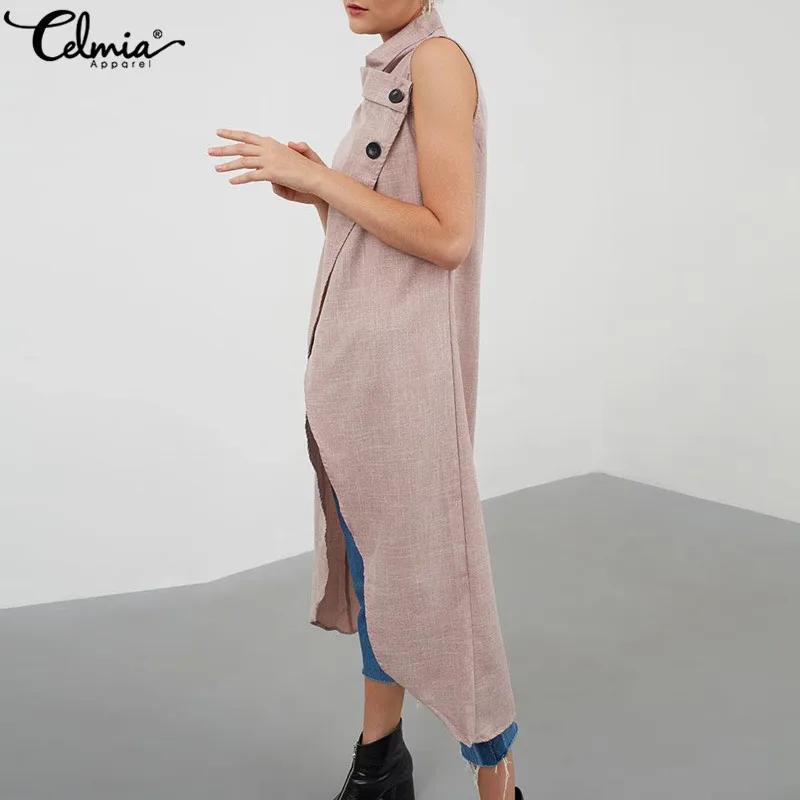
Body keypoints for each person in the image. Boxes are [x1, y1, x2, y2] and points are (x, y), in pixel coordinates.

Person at [208, 1, 523, 798]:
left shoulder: (436, 61)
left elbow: (448, 238)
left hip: (406, 383)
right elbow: (385, 254)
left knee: (435, 580)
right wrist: (324, 194)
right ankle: (380, 762)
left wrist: (324, 179)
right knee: (378, 571)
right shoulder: (391, 65)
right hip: (360, 380)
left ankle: (499, 785)